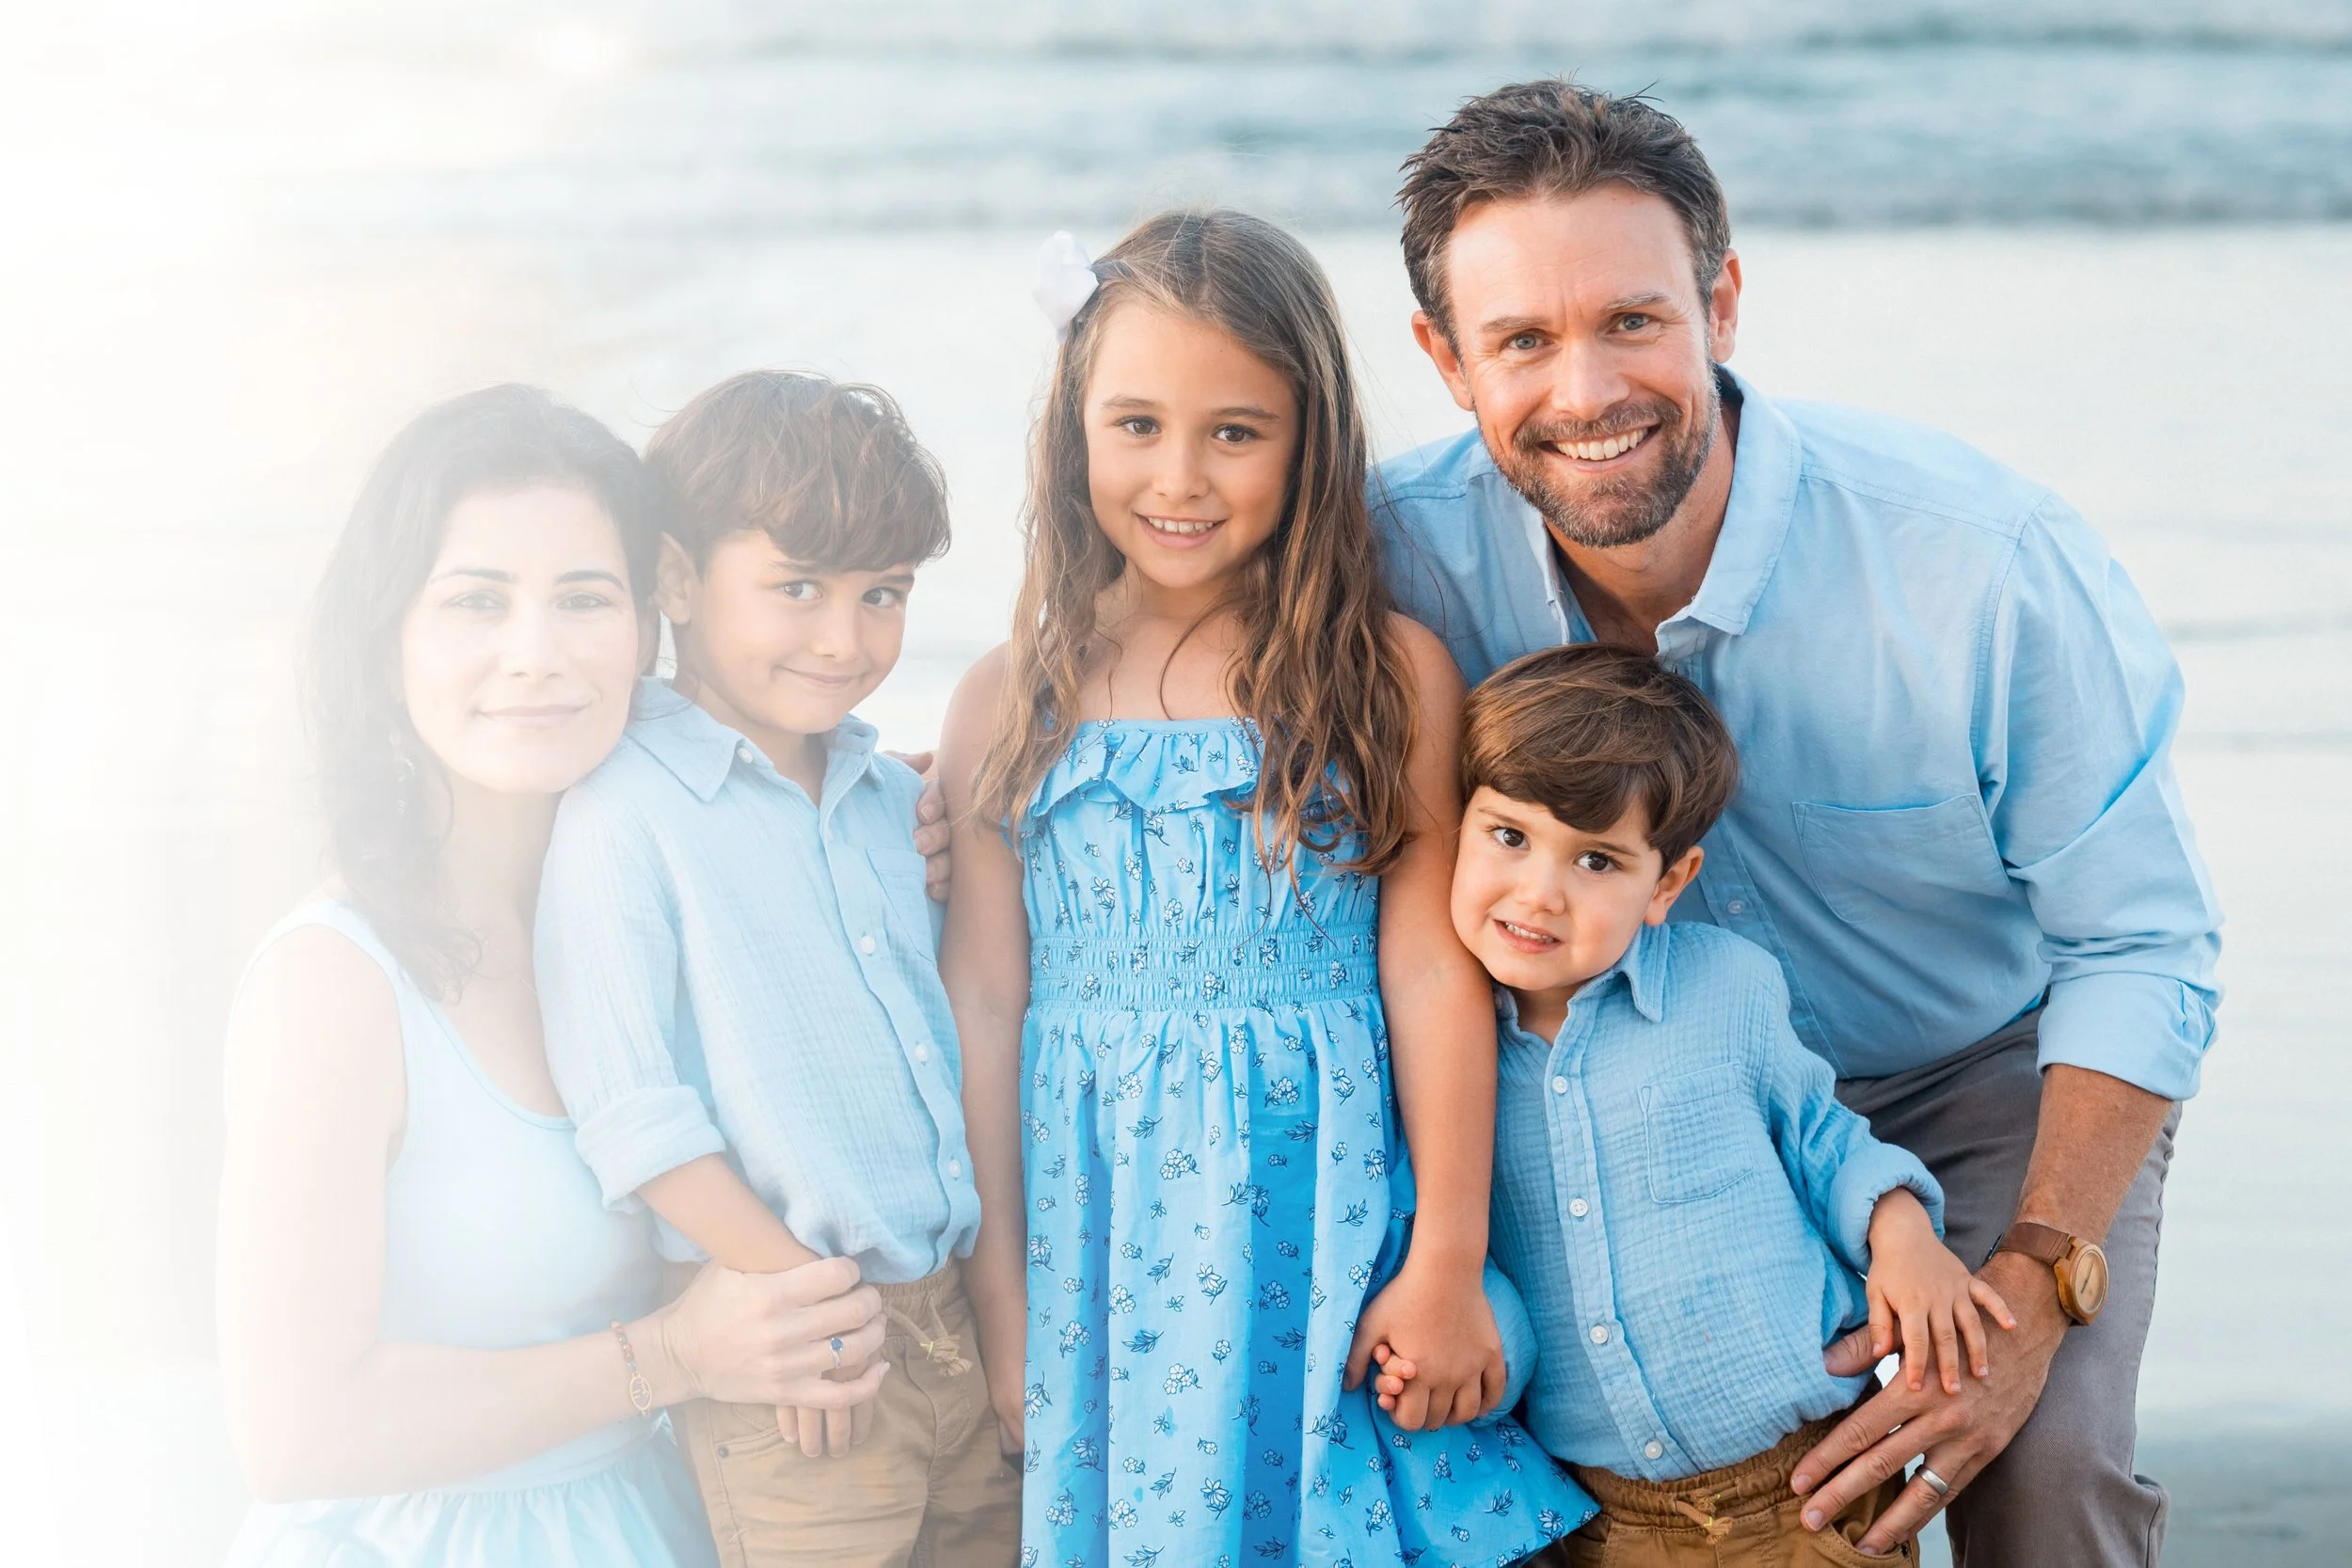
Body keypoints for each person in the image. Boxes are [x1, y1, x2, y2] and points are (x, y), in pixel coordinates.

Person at [1370, 80, 2222, 1564]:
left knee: (2038, 1457)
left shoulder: (1978, 564)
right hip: (1601, 1088)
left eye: (1633, 320)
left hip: (1974, 1078)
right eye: (1521, 340)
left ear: (1723, 302)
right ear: (1447, 360)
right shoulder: (1396, 555)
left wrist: (2033, 1271)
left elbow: (2143, 941)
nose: (1585, 392)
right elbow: (1172, 681)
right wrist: (961, 795)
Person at [937, 208, 1594, 1568]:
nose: (1179, 475)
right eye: (1135, 425)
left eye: (1236, 430)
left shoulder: (1384, 672)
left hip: (1327, 1216)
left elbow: (1427, 966)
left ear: (1311, 445)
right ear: (1071, 430)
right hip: (1100, 1248)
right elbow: (986, 998)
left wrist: (1450, 1256)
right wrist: (1003, 1301)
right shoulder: (1011, 696)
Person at [216, 384, 890, 1568]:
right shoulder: (334, 982)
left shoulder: (681, 904)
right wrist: (672, 1355)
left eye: (584, 598)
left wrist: (920, 818)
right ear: (390, 639)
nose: (535, 655)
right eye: (476, 601)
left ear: (651, 619)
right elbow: (296, 1429)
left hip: (667, 1517)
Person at [535, 371, 1021, 1568]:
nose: (844, 638)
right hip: (796, 1344)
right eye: (796, 587)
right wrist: (802, 1298)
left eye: (883, 594)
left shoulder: (894, 802)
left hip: (957, 1310)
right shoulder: (622, 812)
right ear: (680, 581)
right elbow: (632, 1110)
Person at [1389, 643, 2016, 1565]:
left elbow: (1823, 1140)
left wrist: (1902, 1236)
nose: (1538, 892)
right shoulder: (1445, 1055)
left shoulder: (1726, 991)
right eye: (1509, 835)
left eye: (1596, 859)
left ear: (1668, 883)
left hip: (1805, 1491)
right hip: (1601, 1522)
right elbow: (1488, 1275)